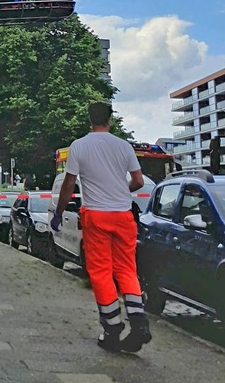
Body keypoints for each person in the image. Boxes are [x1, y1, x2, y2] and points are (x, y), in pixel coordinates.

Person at [51, 101, 152, 354]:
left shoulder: (79, 146)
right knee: (127, 269)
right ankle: (138, 322)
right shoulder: (123, 146)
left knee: (101, 272)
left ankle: (112, 329)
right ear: (110, 120)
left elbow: (68, 184)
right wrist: (119, 191)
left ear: (89, 119)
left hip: (96, 216)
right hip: (123, 215)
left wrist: (59, 213)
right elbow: (138, 181)